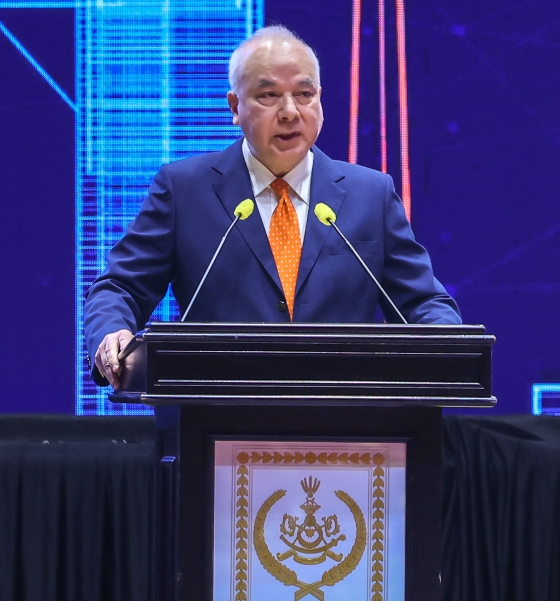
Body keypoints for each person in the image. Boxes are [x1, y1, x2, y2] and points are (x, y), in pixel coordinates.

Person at [85, 25, 461, 389]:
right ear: (235, 106)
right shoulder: (185, 189)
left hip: (347, 426)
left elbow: (423, 301)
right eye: (268, 96)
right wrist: (112, 332)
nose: (289, 112)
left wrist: (447, 343)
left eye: (304, 94)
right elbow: (120, 286)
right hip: (214, 418)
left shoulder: (370, 194)